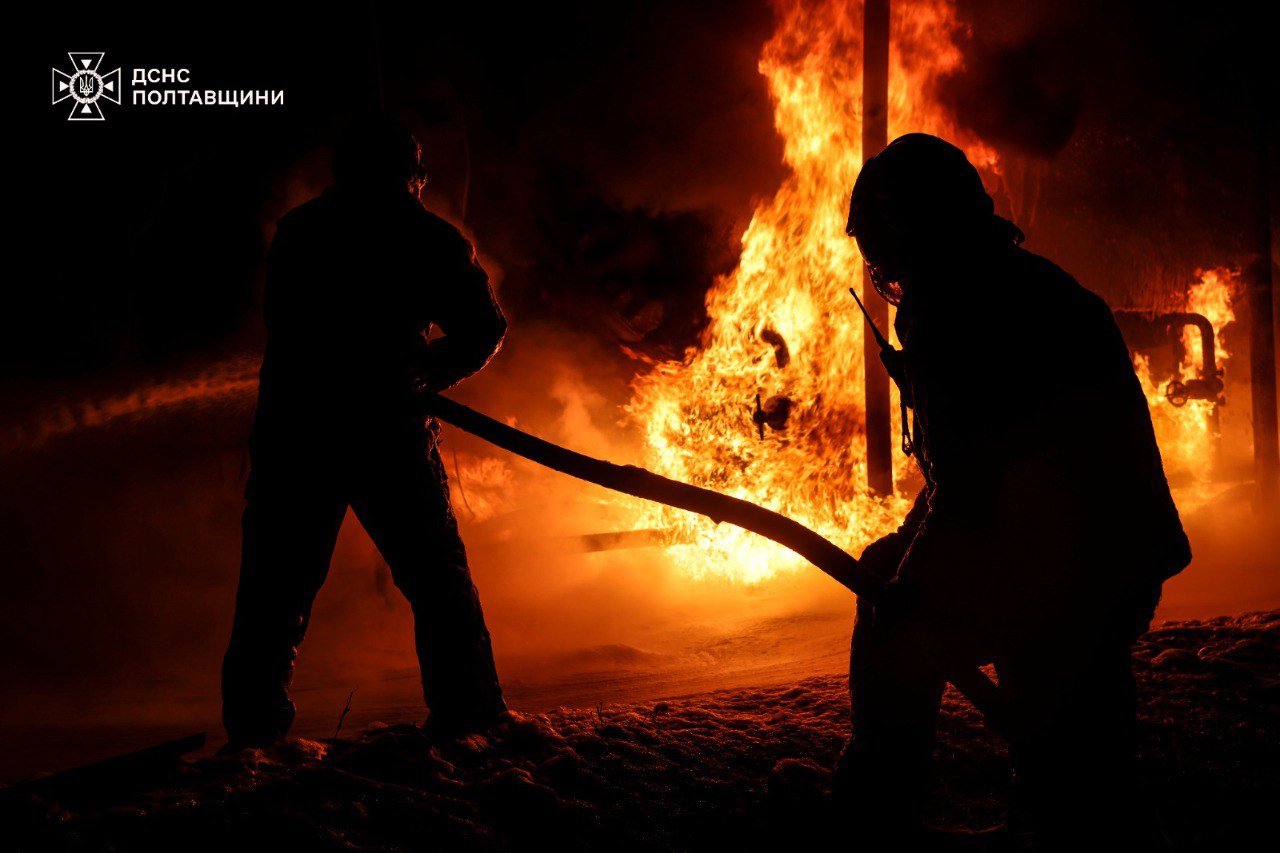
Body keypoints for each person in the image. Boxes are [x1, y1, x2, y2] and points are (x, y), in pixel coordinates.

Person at [837, 133, 1190, 846]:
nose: (883, 271)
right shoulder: (1031, 284)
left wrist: (910, 586)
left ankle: (882, 805)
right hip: (1110, 556)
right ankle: (1071, 808)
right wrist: (911, 561)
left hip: (1064, 571)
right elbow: (964, 474)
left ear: (918, 231)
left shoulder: (961, 314)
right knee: (1077, 741)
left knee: (907, 614)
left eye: (884, 247)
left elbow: (970, 488)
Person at [221, 114, 509, 749]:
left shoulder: (300, 230)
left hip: (295, 431)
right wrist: (426, 373)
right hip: (384, 435)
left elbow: (290, 329)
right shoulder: (424, 236)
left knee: (273, 588)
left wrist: (418, 374)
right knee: (437, 582)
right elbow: (484, 328)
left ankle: (253, 735)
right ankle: (471, 718)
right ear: (415, 174)